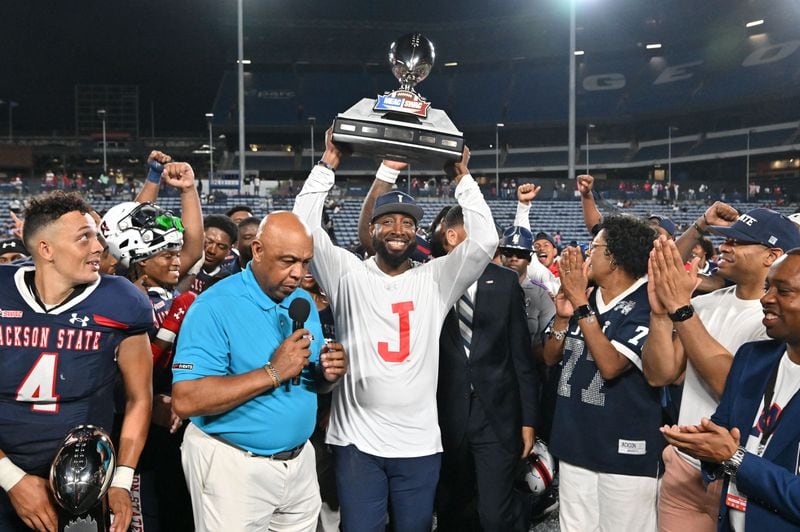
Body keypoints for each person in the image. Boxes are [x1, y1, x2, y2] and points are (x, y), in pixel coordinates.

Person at [293, 130, 497, 532]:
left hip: (419, 443)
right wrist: (327, 164)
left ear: (417, 233)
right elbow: (303, 230)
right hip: (356, 441)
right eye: (387, 221)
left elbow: (486, 239)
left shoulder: (437, 278)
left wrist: (463, 179)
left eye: (407, 222)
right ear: (372, 231)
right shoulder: (346, 272)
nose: (399, 229)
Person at [171, 211, 347, 532]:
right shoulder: (213, 306)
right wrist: (272, 371)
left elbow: (305, 380)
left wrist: (327, 375)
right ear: (257, 250)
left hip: (299, 462)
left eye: (305, 262)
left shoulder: (302, 302)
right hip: (233, 465)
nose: (298, 273)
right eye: (288, 261)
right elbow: (185, 400)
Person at [0, 191, 153, 532]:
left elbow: (139, 397)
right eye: (84, 238)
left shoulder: (122, 300)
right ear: (46, 250)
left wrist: (121, 480)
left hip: (85, 477)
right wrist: (11, 478)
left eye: (98, 236)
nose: (99, 247)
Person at [643, 208, 800, 532]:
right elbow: (661, 374)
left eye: (738, 241)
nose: (726, 247)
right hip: (696, 464)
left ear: (772, 255)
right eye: (726, 239)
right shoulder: (709, 304)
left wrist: (681, 310)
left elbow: (734, 390)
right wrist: (661, 314)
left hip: (750, 476)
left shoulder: (775, 329)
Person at [543, 216, 662, 531]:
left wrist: (581, 304)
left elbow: (610, 367)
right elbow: (549, 356)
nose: (586, 253)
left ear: (614, 258)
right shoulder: (586, 295)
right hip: (574, 441)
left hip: (625, 450)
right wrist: (560, 317)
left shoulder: (647, 302)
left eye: (594, 248)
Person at [435, 207, 540, 532]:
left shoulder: (506, 282)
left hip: (496, 417)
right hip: (444, 417)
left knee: (494, 515)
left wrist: (528, 420)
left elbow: (522, 358)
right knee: (453, 511)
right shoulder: (430, 278)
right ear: (452, 237)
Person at [513, 184, 559, 296]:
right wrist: (523, 206)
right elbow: (522, 239)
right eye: (537, 246)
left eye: (546, 245)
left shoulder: (565, 277)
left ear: (555, 252)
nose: (541, 248)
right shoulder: (533, 269)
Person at [190, 214, 238, 292]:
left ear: (229, 251)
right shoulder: (180, 268)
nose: (212, 251)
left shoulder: (229, 282)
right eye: (208, 242)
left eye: (221, 246)